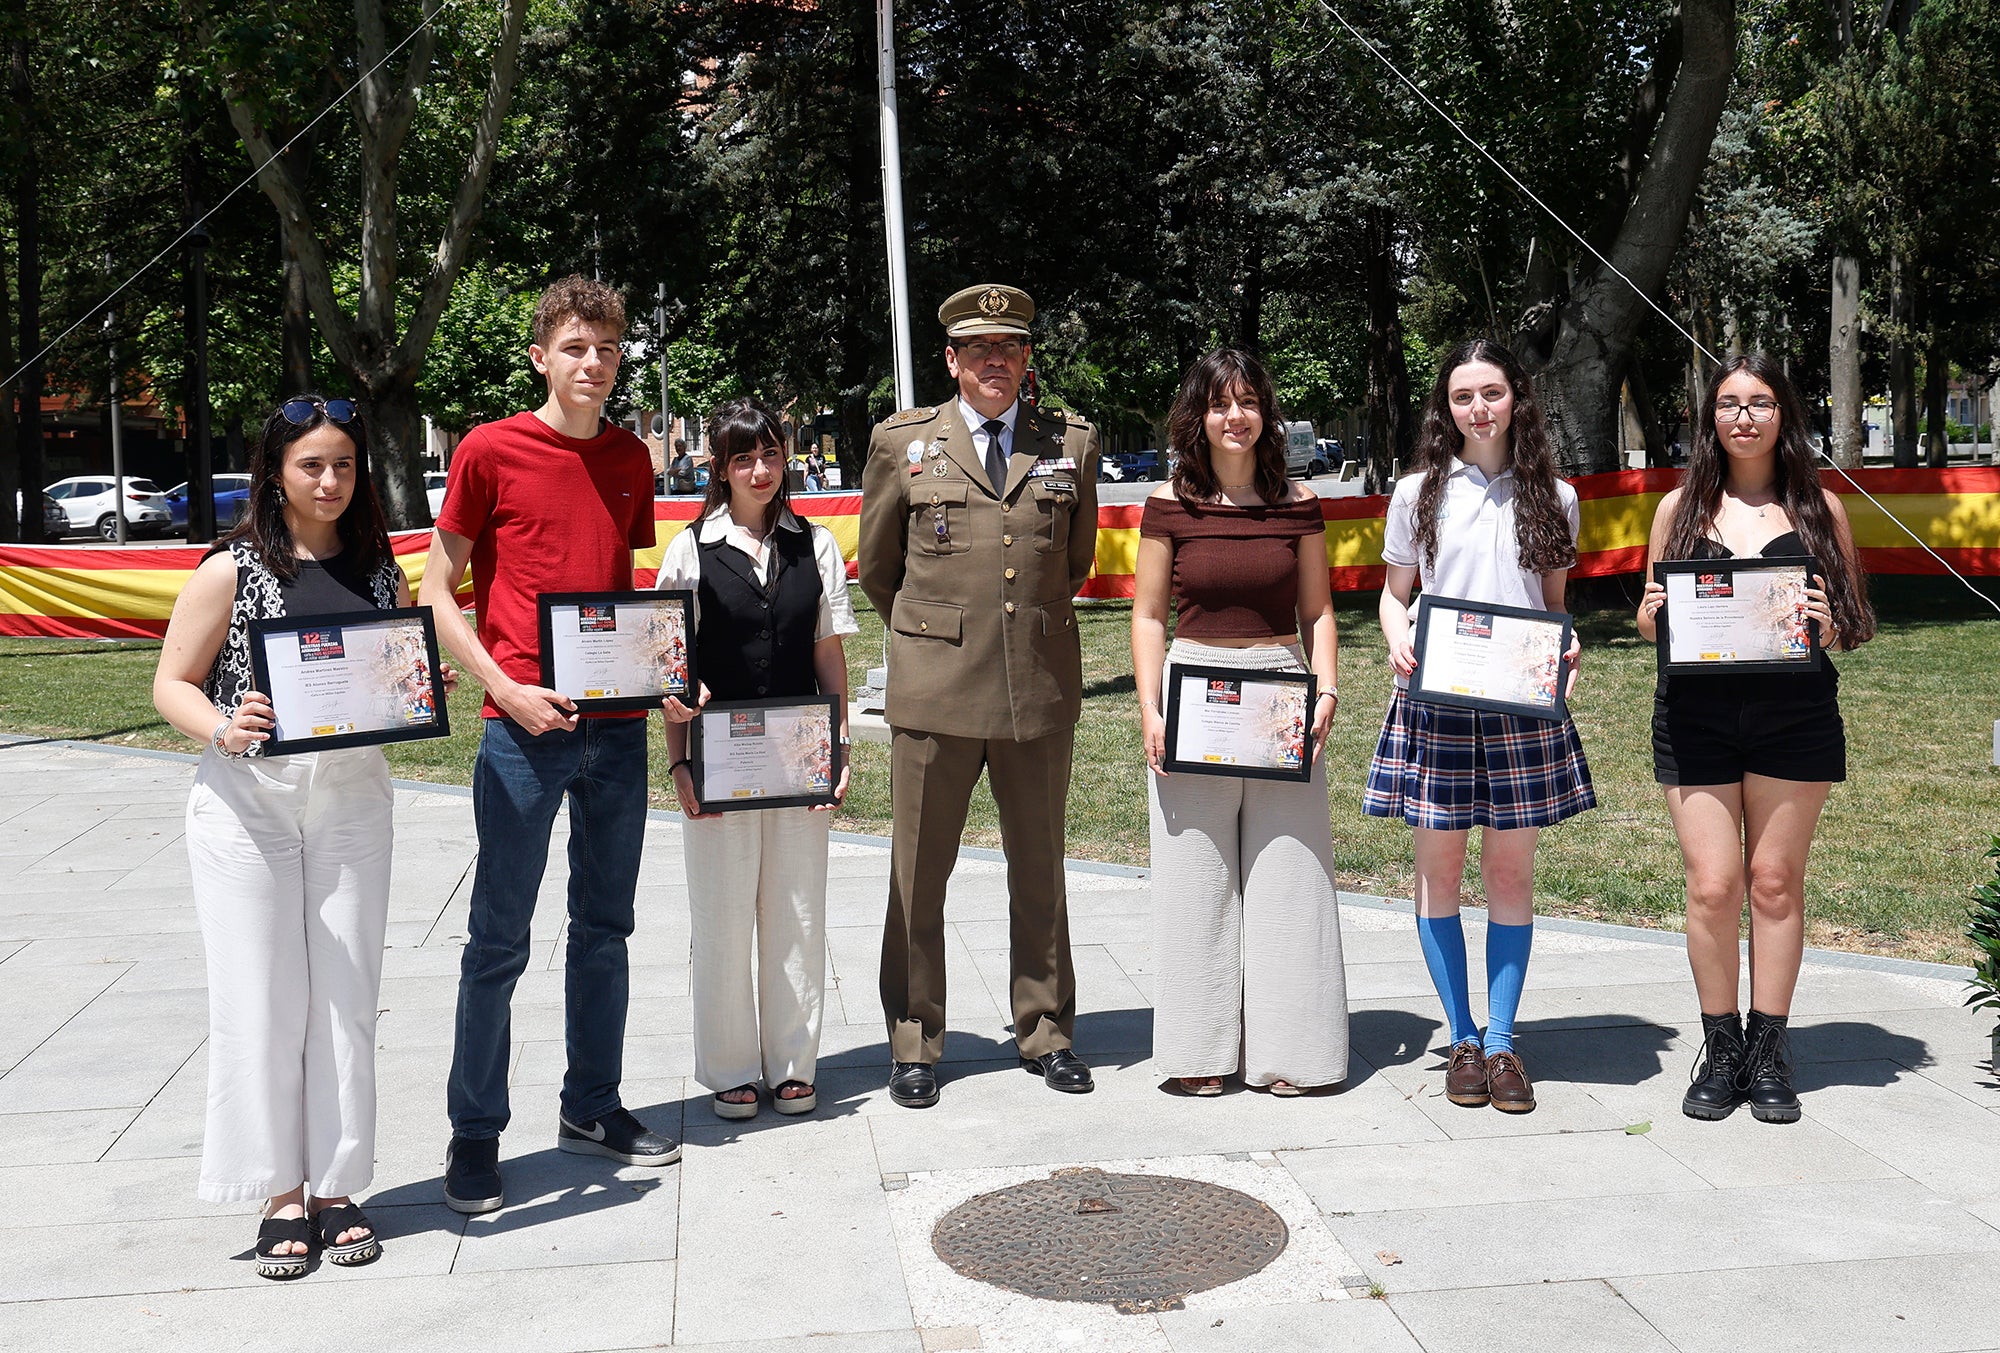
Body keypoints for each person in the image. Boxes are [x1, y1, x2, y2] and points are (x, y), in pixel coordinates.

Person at [154, 395, 435, 1277]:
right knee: (261, 996)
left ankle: (337, 1186)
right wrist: (221, 728)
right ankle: (278, 1189)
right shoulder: (230, 569)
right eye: (312, 464)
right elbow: (171, 682)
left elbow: (389, 678)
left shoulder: (380, 567)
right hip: (249, 805)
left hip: (352, 800)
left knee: (347, 994)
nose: (330, 480)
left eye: (344, 464)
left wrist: (414, 696)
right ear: (275, 470)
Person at [418, 275, 679, 1216]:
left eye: (607, 350)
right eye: (575, 348)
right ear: (541, 356)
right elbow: (438, 590)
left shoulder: (630, 458)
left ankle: (592, 1104)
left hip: (615, 728)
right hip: (521, 729)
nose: (592, 364)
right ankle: (475, 1132)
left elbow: (621, 592)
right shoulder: (490, 452)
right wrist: (504, 687)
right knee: (499, 938)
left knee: (605, 928)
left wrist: (661, 675)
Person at [857, 282, 1100, 1109]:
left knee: (1040, 872)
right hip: (934, 695)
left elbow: (1072, 563)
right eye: (979, 350)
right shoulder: (903, 444)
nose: (995, 361)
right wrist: (937, 638)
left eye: (1011, 348)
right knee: (919, 877)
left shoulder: (1069, 442)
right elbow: (879, 570)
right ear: (953, 361)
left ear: (1027, 358)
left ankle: (1046, 1029)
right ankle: (916, 1040)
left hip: (1033, 687)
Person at [1637, 355, 1873, 1124]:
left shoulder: (1818, 509)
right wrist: (1652, 614)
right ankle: (1723, 1045)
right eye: (1730, 403)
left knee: (1774, 882)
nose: (1744, 416)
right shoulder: (1677, 508)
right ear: (1710, 418)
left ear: (1784, 414)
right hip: (1695, 716)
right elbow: (1648, 620)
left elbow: (1853, 621)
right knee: (1713, 884)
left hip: (1793, 716)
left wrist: (1830, 623)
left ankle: (1771, 1049)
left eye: (1761, 402)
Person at [1363, 339, 1593, 1115]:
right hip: (1436, 702)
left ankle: (1502, 1044)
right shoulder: (1416, 492)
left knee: (1509, 876)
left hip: (1520, 707)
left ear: (1515, 399)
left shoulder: (1555, 495)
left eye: (1491, 393)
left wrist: (1569, 641)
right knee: (1439, 874)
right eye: (1463, 396)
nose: (1478, 409)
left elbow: (1556, 605)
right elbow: (1394, 595)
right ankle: (1460, 1037)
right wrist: (1397, 630)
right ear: (1447, 407)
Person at [1131, 349, 1347, 1097]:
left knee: (1291, 873)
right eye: (1221, 403)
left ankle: (1295, 1053)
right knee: (1196, 876)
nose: (1236, 416)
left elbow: (1318, 610)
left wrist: (1326, 692)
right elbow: (1149, 613)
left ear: (1266, 414)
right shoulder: (1167, 506)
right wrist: (1151, 707)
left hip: (1283, 690)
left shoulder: (1299, 502)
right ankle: (1199, 1051)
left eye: (1249, 401)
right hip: (1193, 693)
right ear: (1199, 415)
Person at [657, 399, 858, 1119]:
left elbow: (828, 655)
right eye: (744, 458)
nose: (761, 469)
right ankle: (733, 1067)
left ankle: (794, 1063)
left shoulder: (818, 545)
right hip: (718, 761)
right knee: (721, 916)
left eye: (771, 454)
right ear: (720, 466)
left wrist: (839, 752)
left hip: (800, 756)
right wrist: (678, 765)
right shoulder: (689, 549)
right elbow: (669, 670)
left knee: (799, 912)